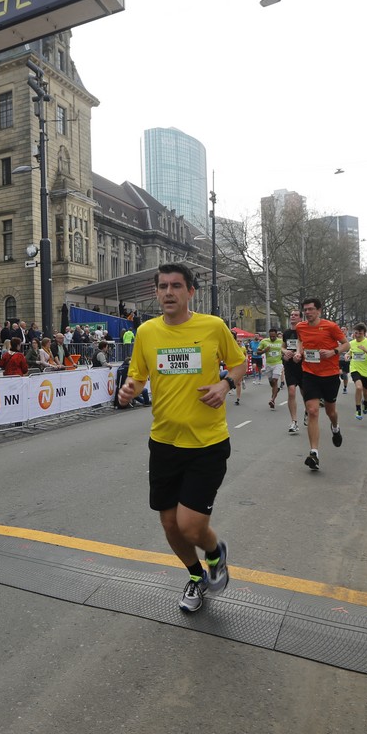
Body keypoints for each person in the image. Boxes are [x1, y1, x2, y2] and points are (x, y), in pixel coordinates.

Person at [117, 263, 246, 614]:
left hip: (207, 444)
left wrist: (225, 384)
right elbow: (138, 375)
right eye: (163, 286)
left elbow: (239, 364)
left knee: (191, 526)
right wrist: (130, 389)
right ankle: (195, 576)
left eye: (176, 286)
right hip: (164, 443)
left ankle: (216, 552)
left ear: (190, 292)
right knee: (170, 524)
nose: (169, 292)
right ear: (156, 292)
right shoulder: (146, 332)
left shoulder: (213, 326)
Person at [295, 297, 349, 471]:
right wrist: (298, 352)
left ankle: (335, 427)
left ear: (319, 310)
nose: (308, 312)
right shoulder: (300, 327)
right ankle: (314, 453)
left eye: (311, 309)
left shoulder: (331, 326)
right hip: (309, 373)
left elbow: (346, 345)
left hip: (330, 374)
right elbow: (300, 340)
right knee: (312, 411)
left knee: (330, 411)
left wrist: (333, 351)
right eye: (305, 309)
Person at [281, 310, 306, 434]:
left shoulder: (304, 331)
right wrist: (285, 352)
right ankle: (294, 421)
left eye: (296, 315)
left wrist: (299, 353)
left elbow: (308, 346)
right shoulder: (286, 333)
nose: (293, 316)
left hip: (302, 366)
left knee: (305, 392)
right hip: (290, 366)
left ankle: (308, 411)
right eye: (291, 315)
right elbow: (282, 346)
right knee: (291, 392)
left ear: (301, 318)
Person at [347, 324, 367, 419]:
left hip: (366, 371)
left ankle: (365, 402)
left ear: (364, 333)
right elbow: (350, 352)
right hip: (355, 368)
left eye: (360, 333)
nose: (357, 335)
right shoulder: (351, 343)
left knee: (366, 392)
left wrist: (366, 351)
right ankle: (358, 409)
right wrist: (347, 355)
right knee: (358, 387)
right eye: (356, 333)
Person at [258, 327, 285, 410]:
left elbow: (285, 349)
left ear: (276, 335)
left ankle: (272, 400)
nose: (272, 338)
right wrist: (264, 351)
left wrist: (284, 354)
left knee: (274, 380)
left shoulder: (281, 341)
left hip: (278, 363)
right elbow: (257, 352)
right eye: (271, 336)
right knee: (272, 384)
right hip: (268, 364)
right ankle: (276, 390)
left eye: (274, 336)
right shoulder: (264, 341)